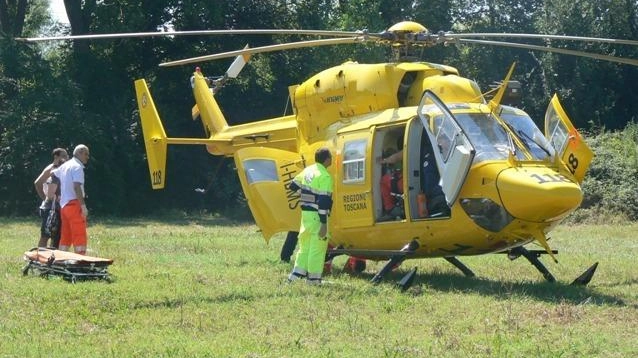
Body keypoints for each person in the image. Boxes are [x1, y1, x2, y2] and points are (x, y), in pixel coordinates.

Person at [287, 147, 334, 285]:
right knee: (317, 248)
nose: (331, 159)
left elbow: (292, 186)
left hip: (305, 215)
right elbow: (324, 203)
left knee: (305, 246)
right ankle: (313, 280)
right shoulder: (324, 176)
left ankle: (296, 275)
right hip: (316, 217)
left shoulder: (308, 170)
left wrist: (306, 197)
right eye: (330, 157)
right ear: (326, 159)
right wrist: (324, 224)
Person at [50, 144, 90, 255]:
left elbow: (53, 174)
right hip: (74, 204)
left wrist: (55, 192)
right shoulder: (77, 167)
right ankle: (80, 260)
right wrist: (83, 206)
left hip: (64, 206)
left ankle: (61, 258)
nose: (87, 157)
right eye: (86, 154)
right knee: (79, 234)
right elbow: (77, 186)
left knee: (66, 235)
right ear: (80, 152)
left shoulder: (65, 165)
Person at [33, 148, 69, 248]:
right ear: (56, 157)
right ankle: (40, 257)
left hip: (59, 207)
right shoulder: (51, 168)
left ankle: (52, 258)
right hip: (50, 208)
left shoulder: (62, 169)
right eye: (64, 156)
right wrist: (45, 198)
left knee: (57, 236)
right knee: (46, 235)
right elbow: (38, 183)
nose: (66, 158)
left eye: (67, 156)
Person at [379, 148, 404, 220]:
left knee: (383, 181)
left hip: (405, 180)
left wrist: (384, 161)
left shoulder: (409, 148)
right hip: (406, 176)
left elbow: (395, 158)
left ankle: (389, 207)